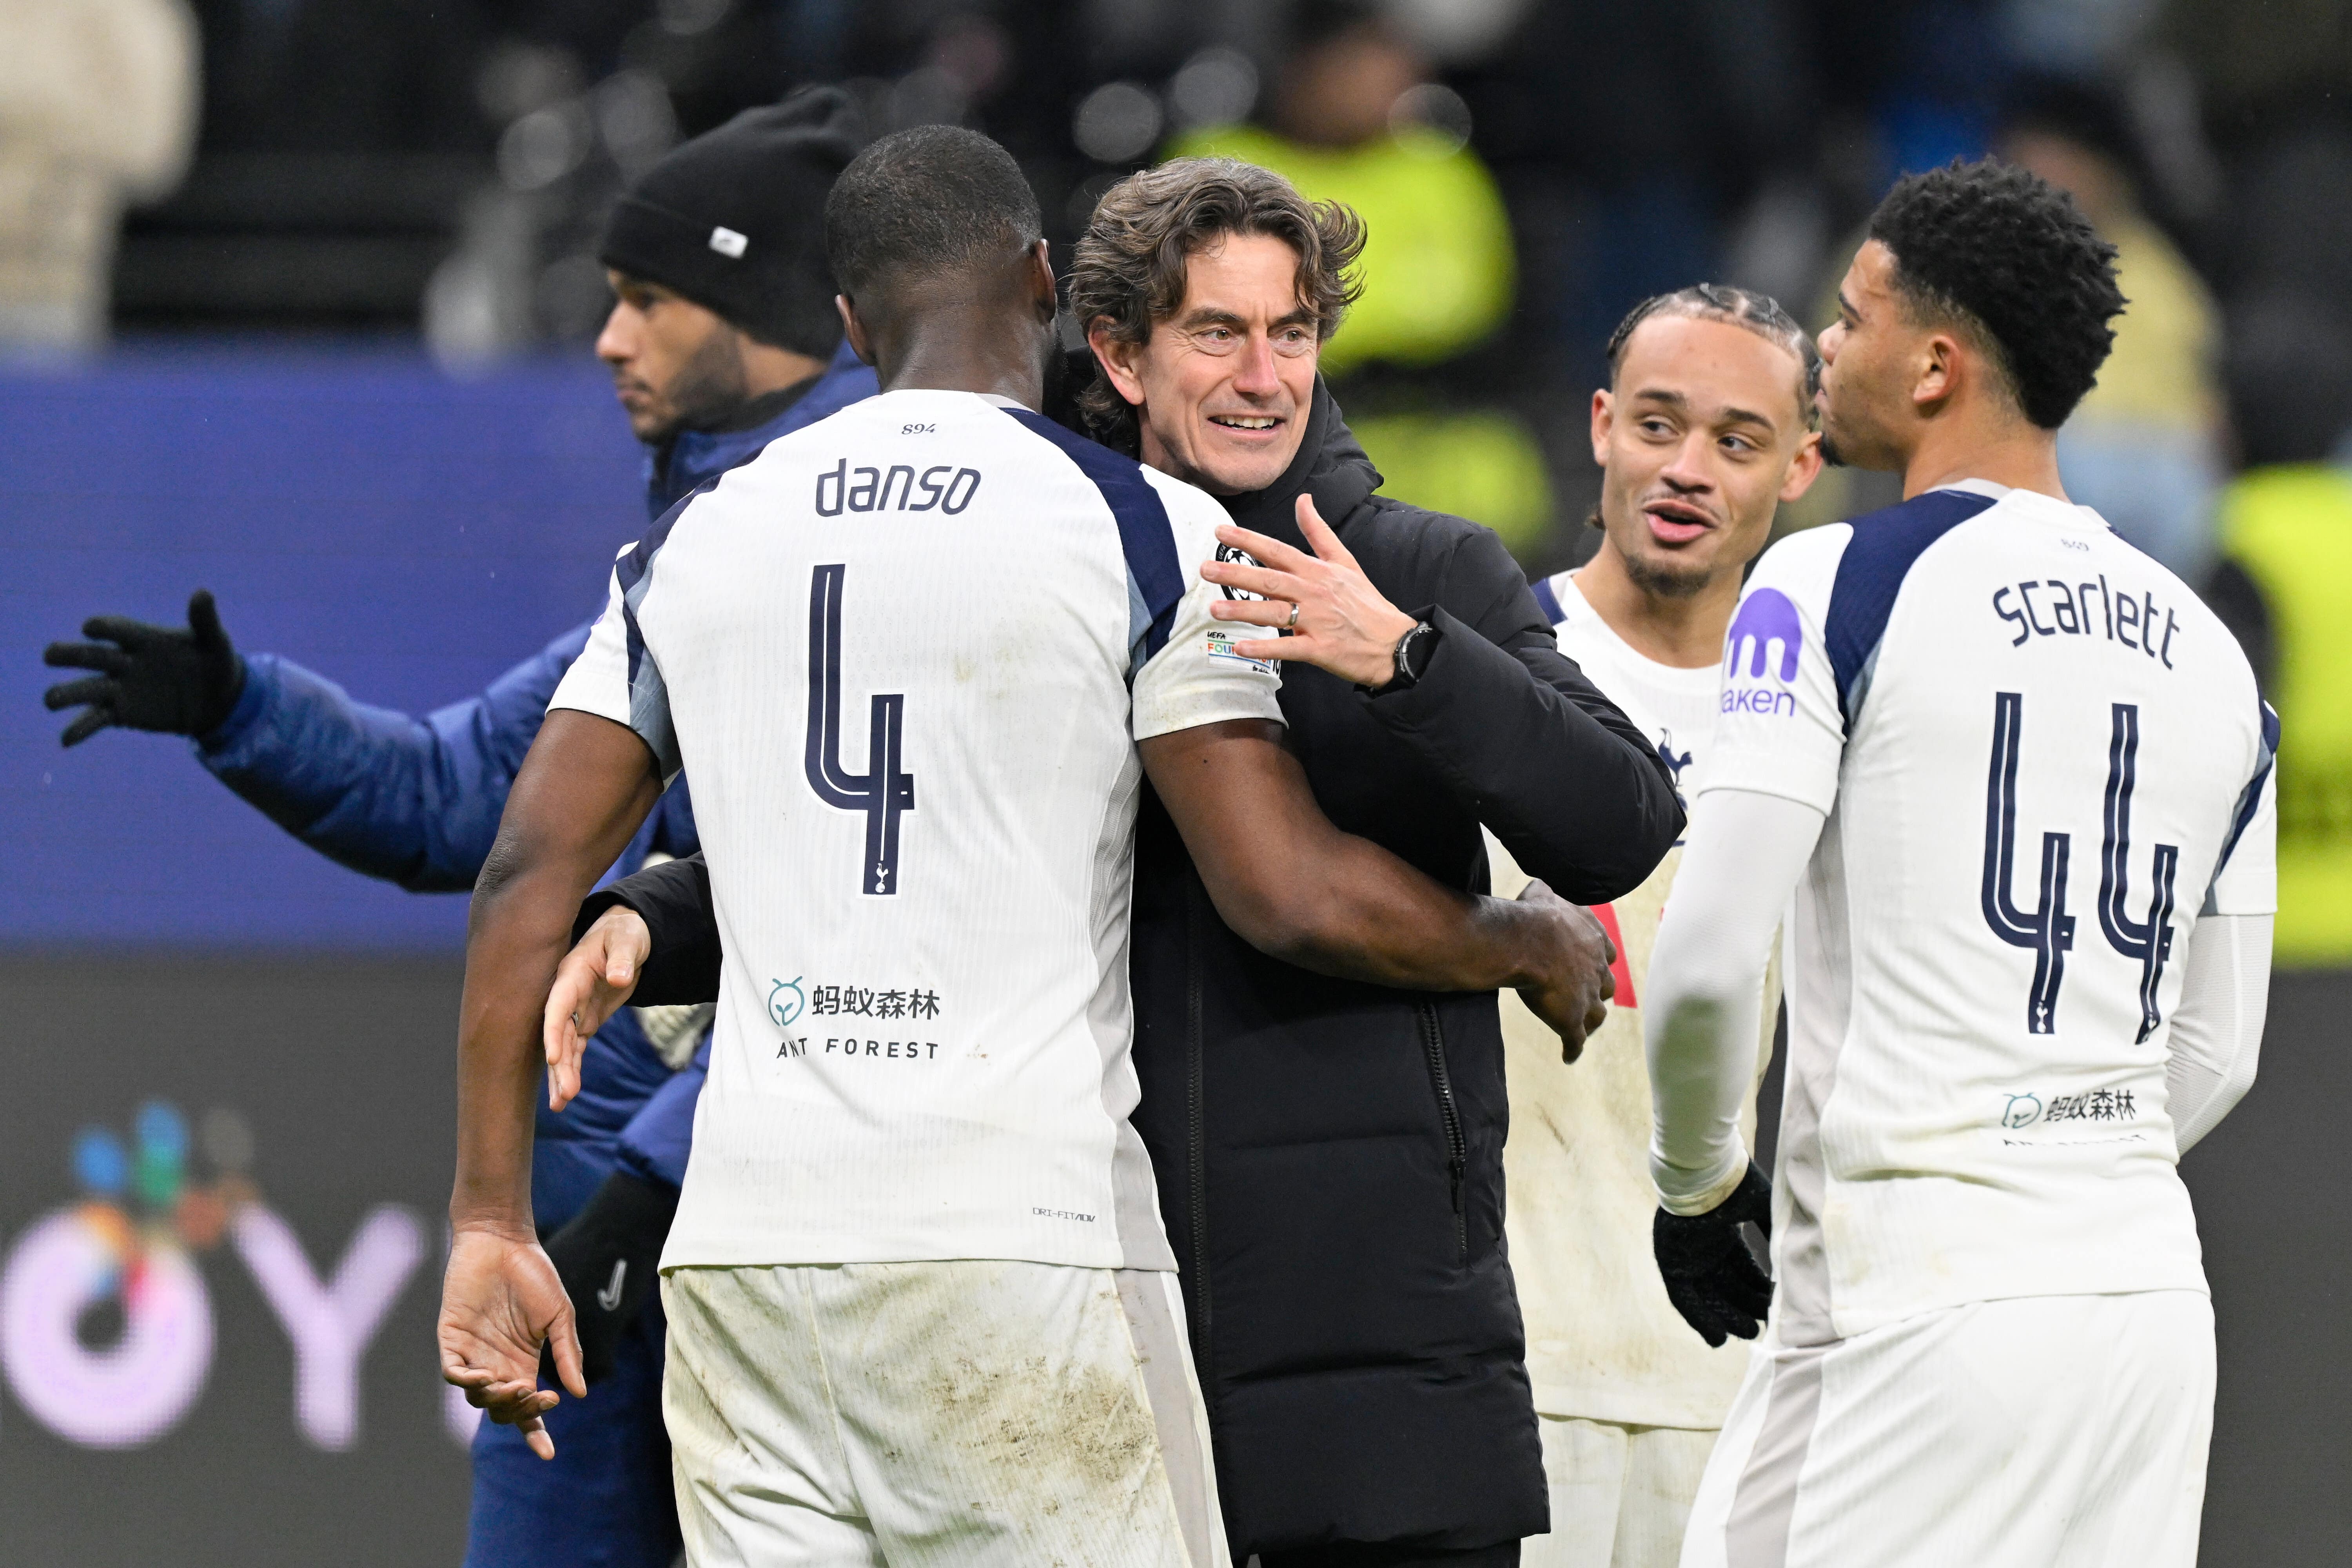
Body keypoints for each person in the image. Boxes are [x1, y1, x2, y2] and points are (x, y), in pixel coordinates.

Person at [441, 123, 1629, 1566]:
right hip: (1016, 1240)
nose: (1261, 373)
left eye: (1288, 334)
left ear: (844, 322)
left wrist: (491, 1218)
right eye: (1218, 333)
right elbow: (1286, 889)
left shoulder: (701, 534)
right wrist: (1515, 939)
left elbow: (524, 873)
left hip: (751, 1254)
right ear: (1051, 288)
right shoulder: (1140, 528)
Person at [38, 87, 878, 1568]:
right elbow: (455, 800)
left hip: (772, 1225)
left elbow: (860, 934)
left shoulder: (869, 566)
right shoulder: (679, 569)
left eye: (650, 302)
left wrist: (659, 1178)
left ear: (770, 311)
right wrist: (244, 707)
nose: (610, 339)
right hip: (601, 1230)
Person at [1645, 159, 2275, 1567]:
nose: (1825, 346)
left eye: (1853, 316)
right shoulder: (2220, 655)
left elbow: (1700, 962)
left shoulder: (1830, 580)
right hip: (2144, 1314)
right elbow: (2222, 1048)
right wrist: (2058, 1181)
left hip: (1908, 1300)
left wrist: (1697, 1190)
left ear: (1935, 366)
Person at [1488, 285, 1822, 1568]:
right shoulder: (1491, 665)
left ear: (1800, 465)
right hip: (1523, 1363)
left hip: (1730, 1375)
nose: (1687, 470)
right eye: (1658, 424)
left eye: (1736, 442)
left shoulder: (1820, 714)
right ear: (1599, 428)